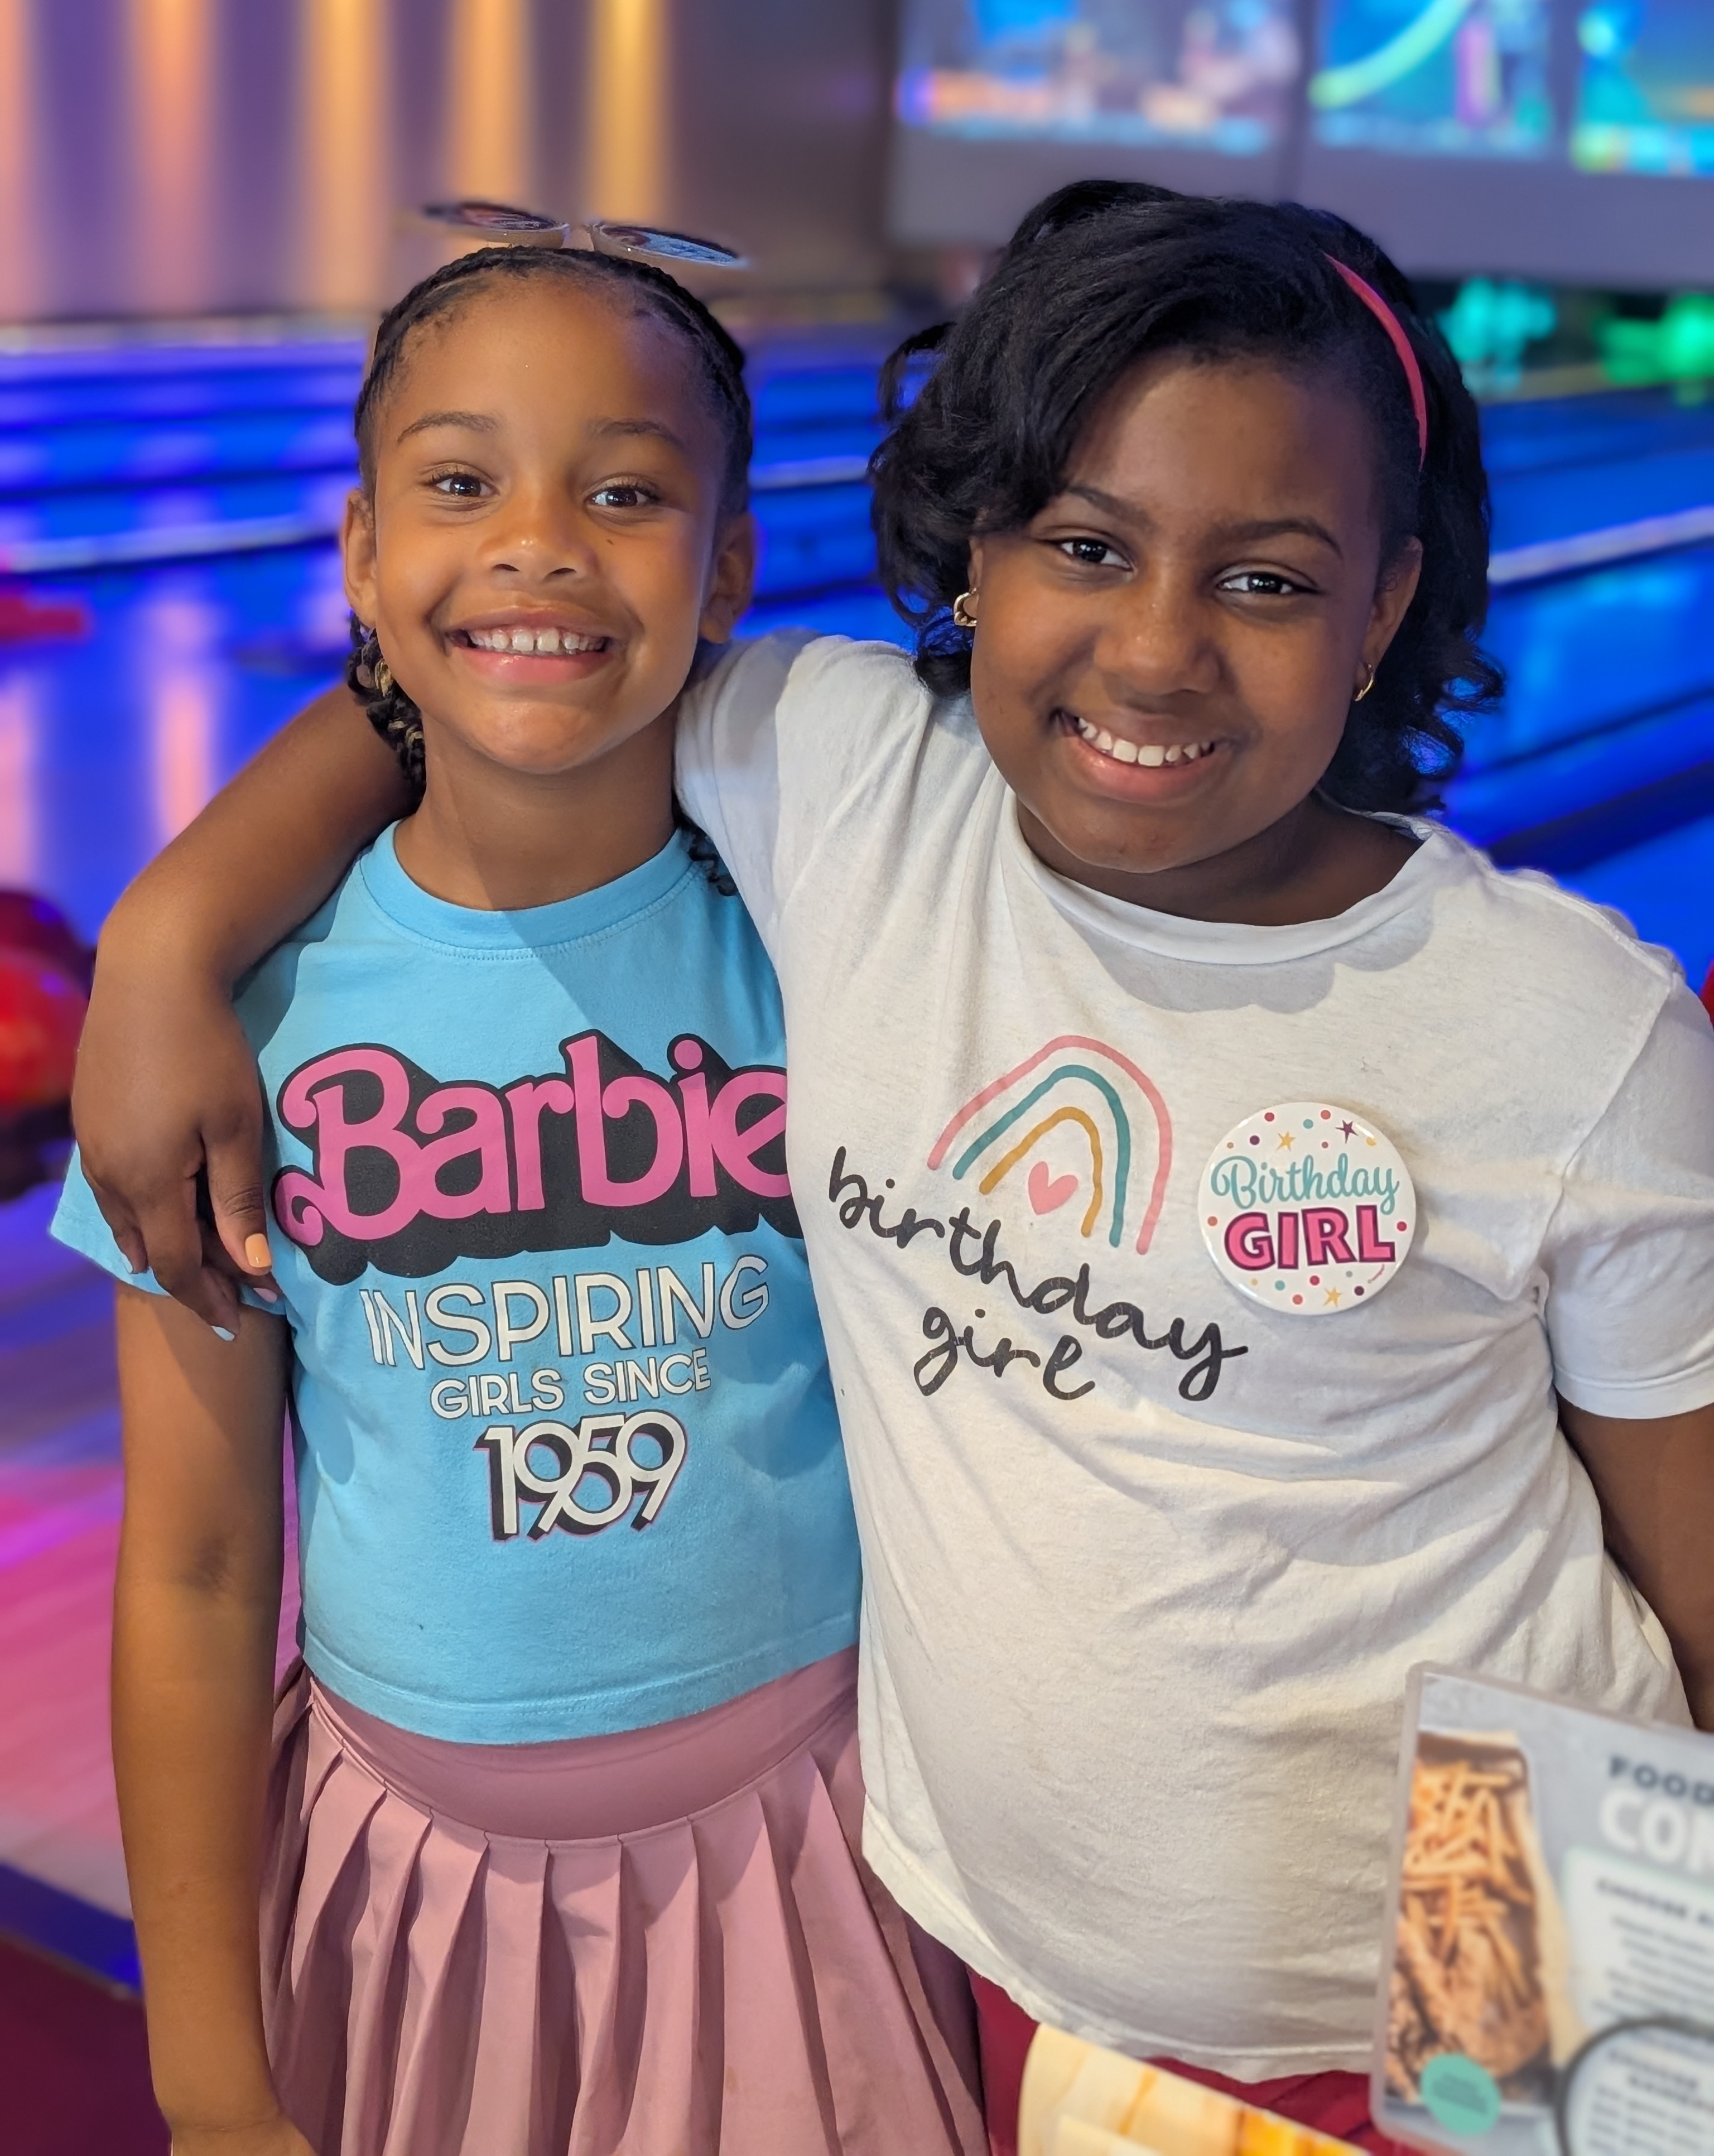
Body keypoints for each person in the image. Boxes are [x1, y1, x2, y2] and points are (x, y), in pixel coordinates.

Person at [73, 186, 1714, 2155]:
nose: (1159, 650)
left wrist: (1590, 2053)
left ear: (1384, 604)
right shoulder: (856, 788)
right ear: (978, 562)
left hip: (1495, 1931)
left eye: (1270, 581)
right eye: (1086, 547)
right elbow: (498, 666)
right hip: (1030, 1945)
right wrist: (166, 938)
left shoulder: (1563, 1025)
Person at [52, 242, 984, 2156]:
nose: (541, 546)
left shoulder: (836, 953)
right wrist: (203, 2071)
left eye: (627, 492)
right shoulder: (238, 1037)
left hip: (808, 1859)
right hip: (411, 1893)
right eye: (462, 484)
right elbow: (204, 1571)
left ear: (726, 568)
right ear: (363, 555)